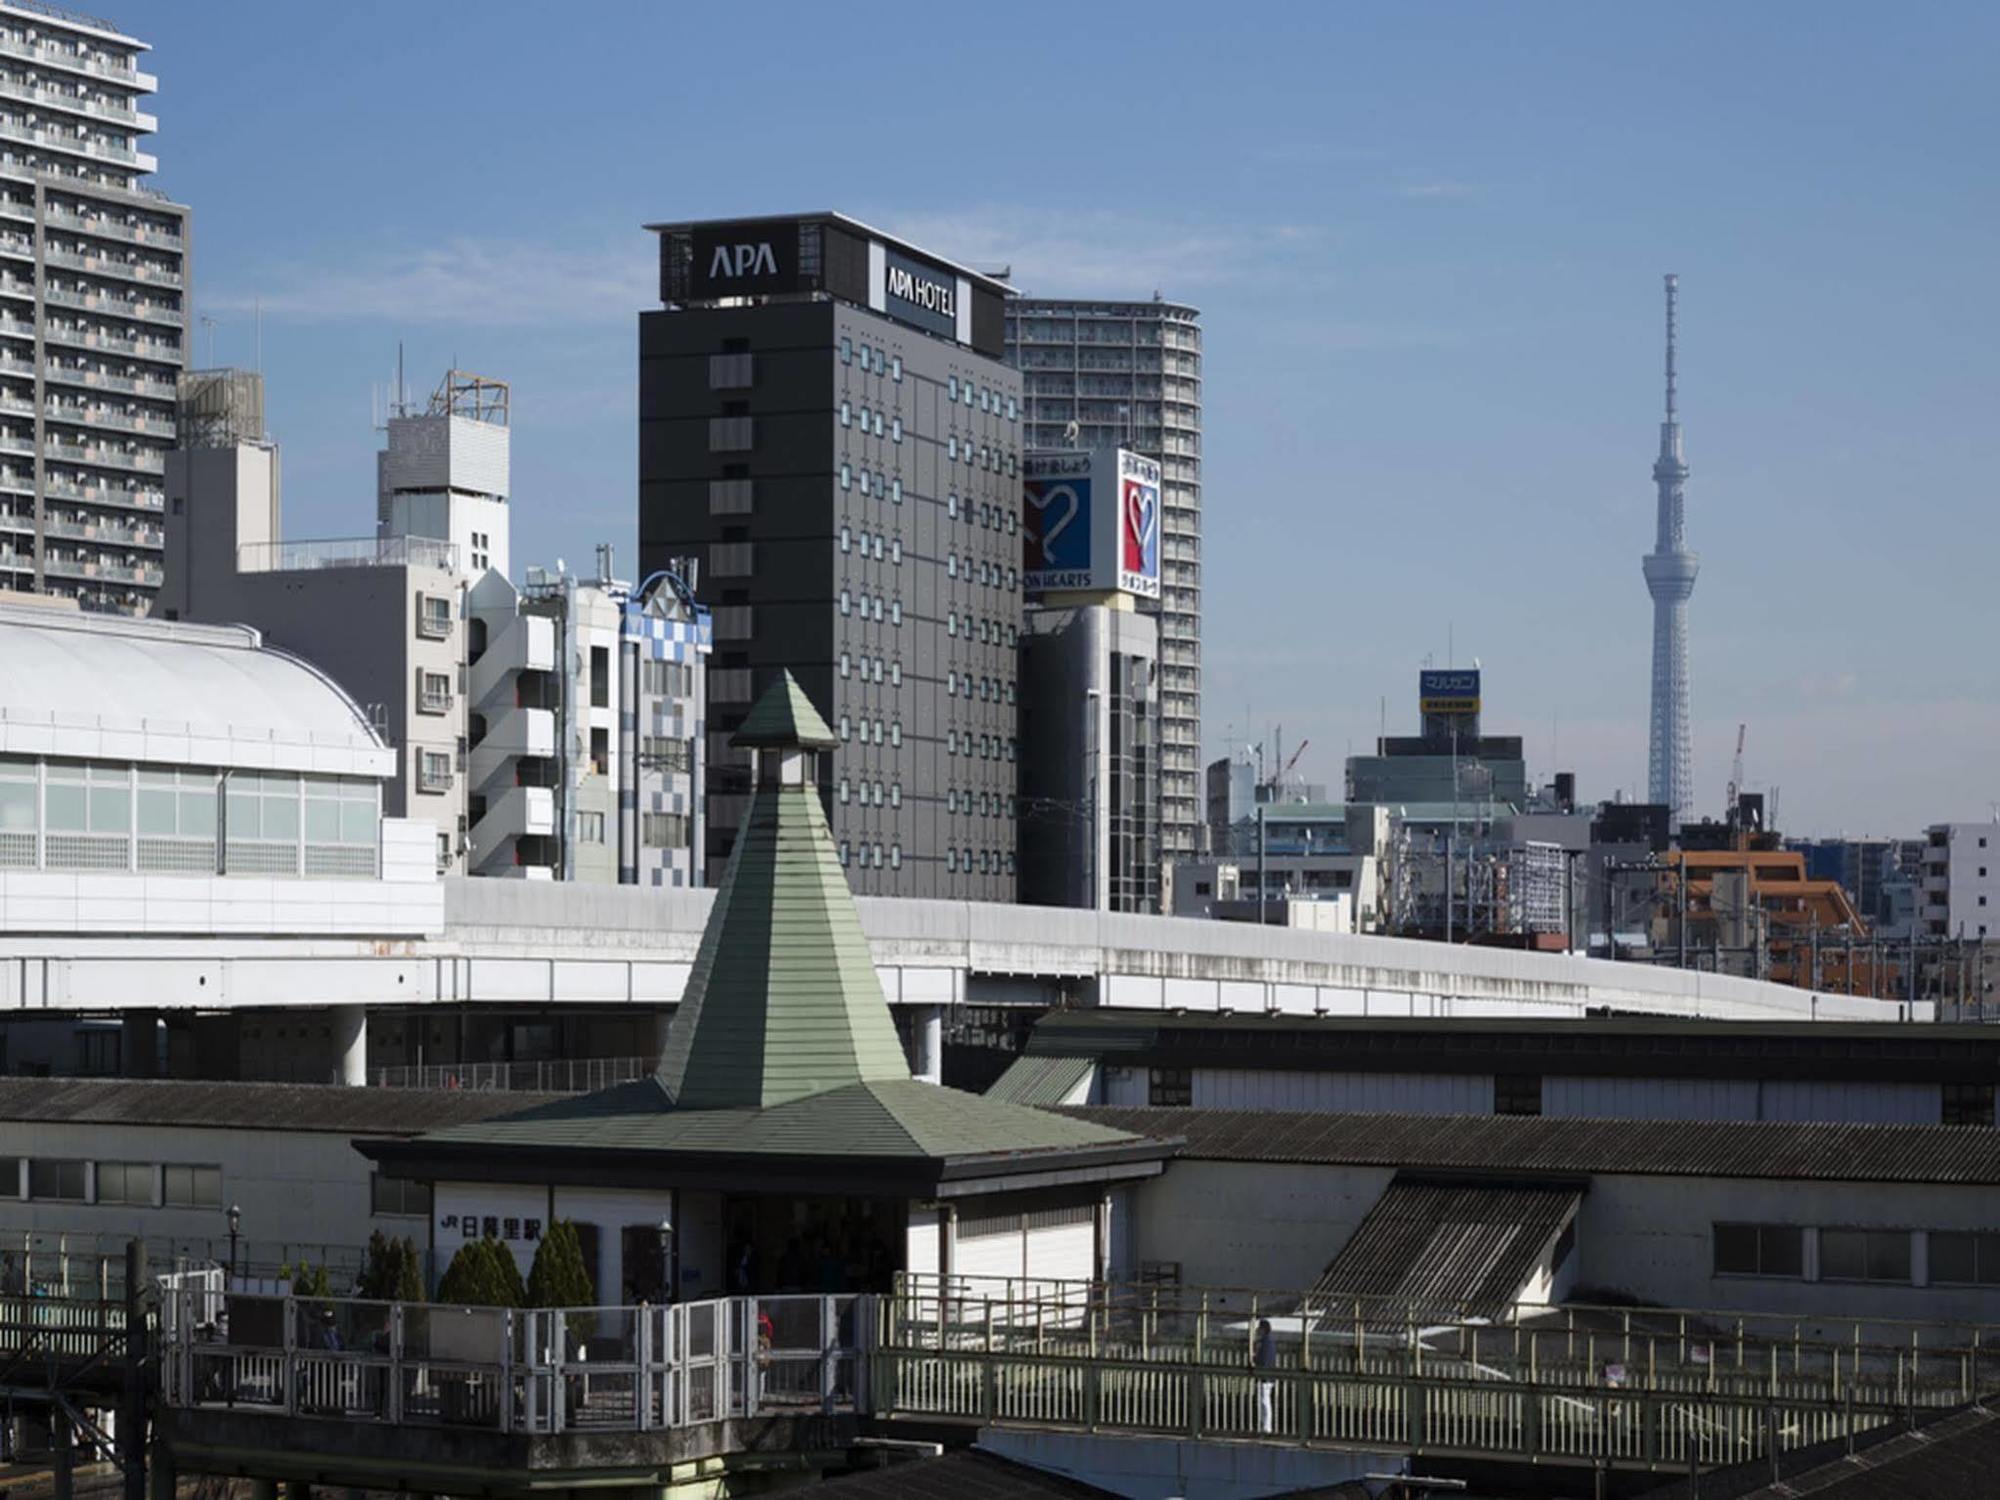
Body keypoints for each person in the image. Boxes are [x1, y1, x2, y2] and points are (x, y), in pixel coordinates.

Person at [1252, 1318, 1277, 1434]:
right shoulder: (1270, 1342)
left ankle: (1266, 1427)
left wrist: (1254, 1357)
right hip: (1270, 1375)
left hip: (1265, 1376)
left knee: (1264, 1401)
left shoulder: (1264, 1343)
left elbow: (1261, 1359)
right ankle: (1265, 1426)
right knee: (1265, 1401)